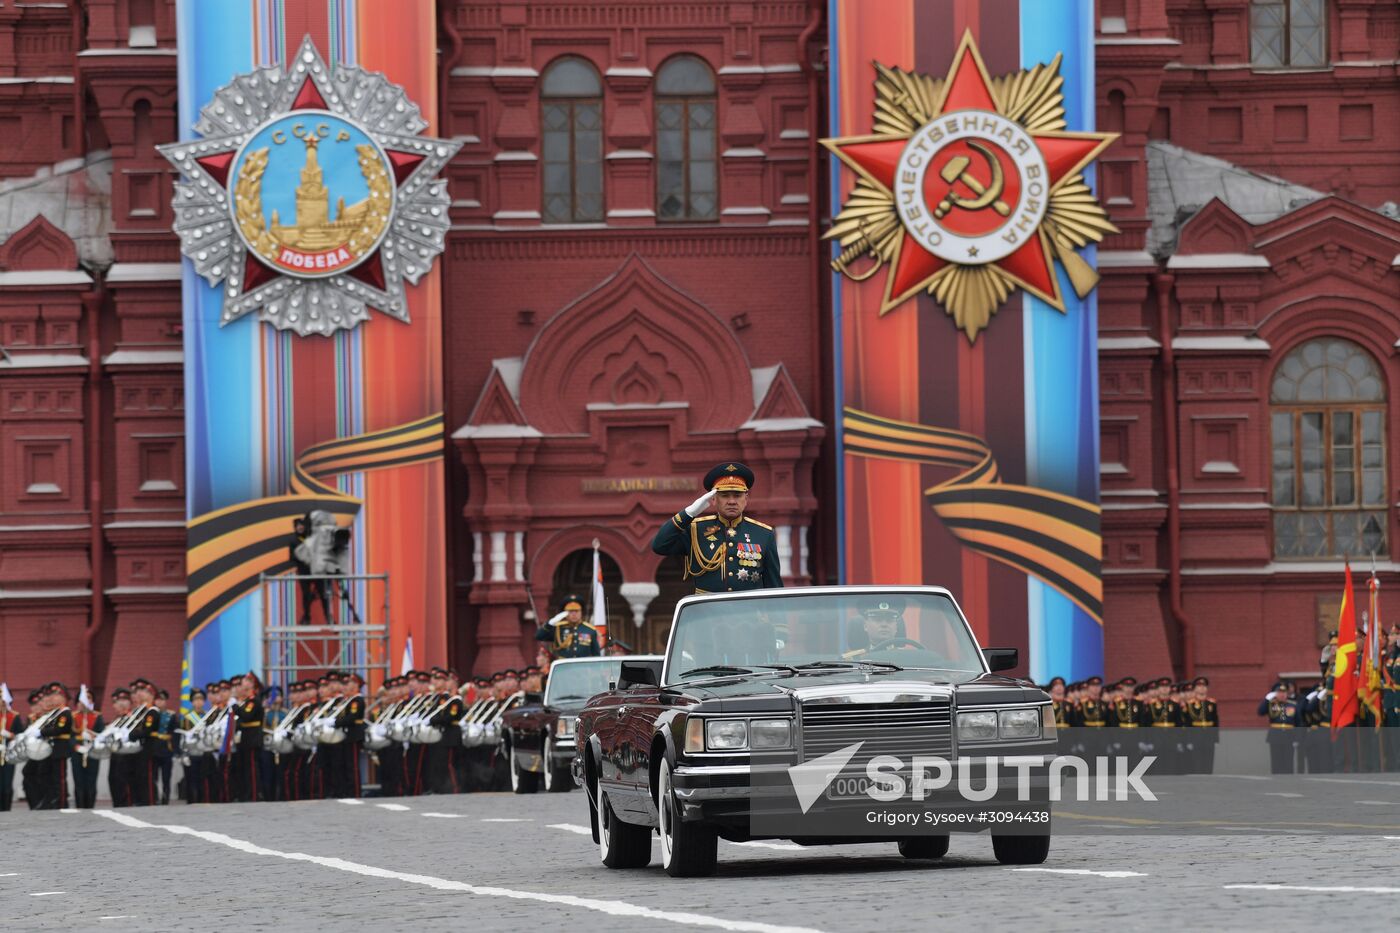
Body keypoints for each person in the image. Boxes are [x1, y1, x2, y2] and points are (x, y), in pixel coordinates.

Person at [652, 462, 782, 594]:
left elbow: (774, 586)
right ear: (713, 499)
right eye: (725, 495)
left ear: (746, 499)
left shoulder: (764, 534)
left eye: (737, 495)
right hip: (708, 611)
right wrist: (688, 513)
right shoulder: (696, 529)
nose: (731, 501)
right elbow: (660, 545)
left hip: (748, 612)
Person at [229, 672, 264, 802]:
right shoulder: (246, 701)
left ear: (251, 684)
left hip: (253, 738)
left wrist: (235, 706)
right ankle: (246, 793)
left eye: (245, 681)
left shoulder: (253, 701)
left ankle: (254, 794)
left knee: (252, 769)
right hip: (246, 738)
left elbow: (246, 715)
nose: (242, 684)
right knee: (245, 769)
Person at [536, 596, 602, 660]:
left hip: (583, 667)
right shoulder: (558, 628)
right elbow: (539, 636)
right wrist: (550, 623)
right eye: (570, 611)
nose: (574, 614)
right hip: (564, 667)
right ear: (565, 613)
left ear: (581, 612)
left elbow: (596, 654)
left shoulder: (590, 630)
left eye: (576, 611)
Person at [71, 687, 104, 808]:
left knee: (91, 780)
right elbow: (70, 736)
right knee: (78, 780)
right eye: (82, 699)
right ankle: (80, 805)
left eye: (88, 698)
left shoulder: (97, 716)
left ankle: (90, 805)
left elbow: (101, 734)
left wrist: (92, 739)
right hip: (77, 751)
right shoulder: (73, 716)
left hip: (93, 751)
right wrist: (75, 746)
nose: (85, 701)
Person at [1258, 680, 1300, 774]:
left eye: (1284, 692)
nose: (1282, 695)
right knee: (1276, 762)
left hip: (1289, 735)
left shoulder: (1293, 705)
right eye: (1280, 692)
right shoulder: (1271, 705)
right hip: (1275, 735)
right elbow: (1260, 712)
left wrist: (1297, 738)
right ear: (1275, 693)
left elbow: (1298, 723)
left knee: (1288, 762)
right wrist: (1266, 699)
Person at [1181, 676, 1219, 774]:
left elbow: (1215, 721)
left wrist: (1216, 738)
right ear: (1195, 689)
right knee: (1197, 761)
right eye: (1199, 686)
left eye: (1204, 686)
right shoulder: (1189, 704)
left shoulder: (1212, 703)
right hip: (1195, 735)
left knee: (1209, 760)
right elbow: (1187, 723)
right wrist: (1188, 739)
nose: (1202, 688)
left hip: (1208, 735)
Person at [0, 684, 26, 812]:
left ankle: (6, 808)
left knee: (6, 783)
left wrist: (10, 735)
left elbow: (20, 735)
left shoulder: (14, 716)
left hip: (8, 752)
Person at [152, 689, 177, 805]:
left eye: (161, 700)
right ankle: (155, 797)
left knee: (166, 776)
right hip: (154, 748)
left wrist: (176, 750)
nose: (159, 702)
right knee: (154, 776)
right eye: (157, 699)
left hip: (167, 748)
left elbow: (175, 733)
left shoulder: (171, 715)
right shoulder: (151, 714)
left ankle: (165, 797)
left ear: (166, 701)